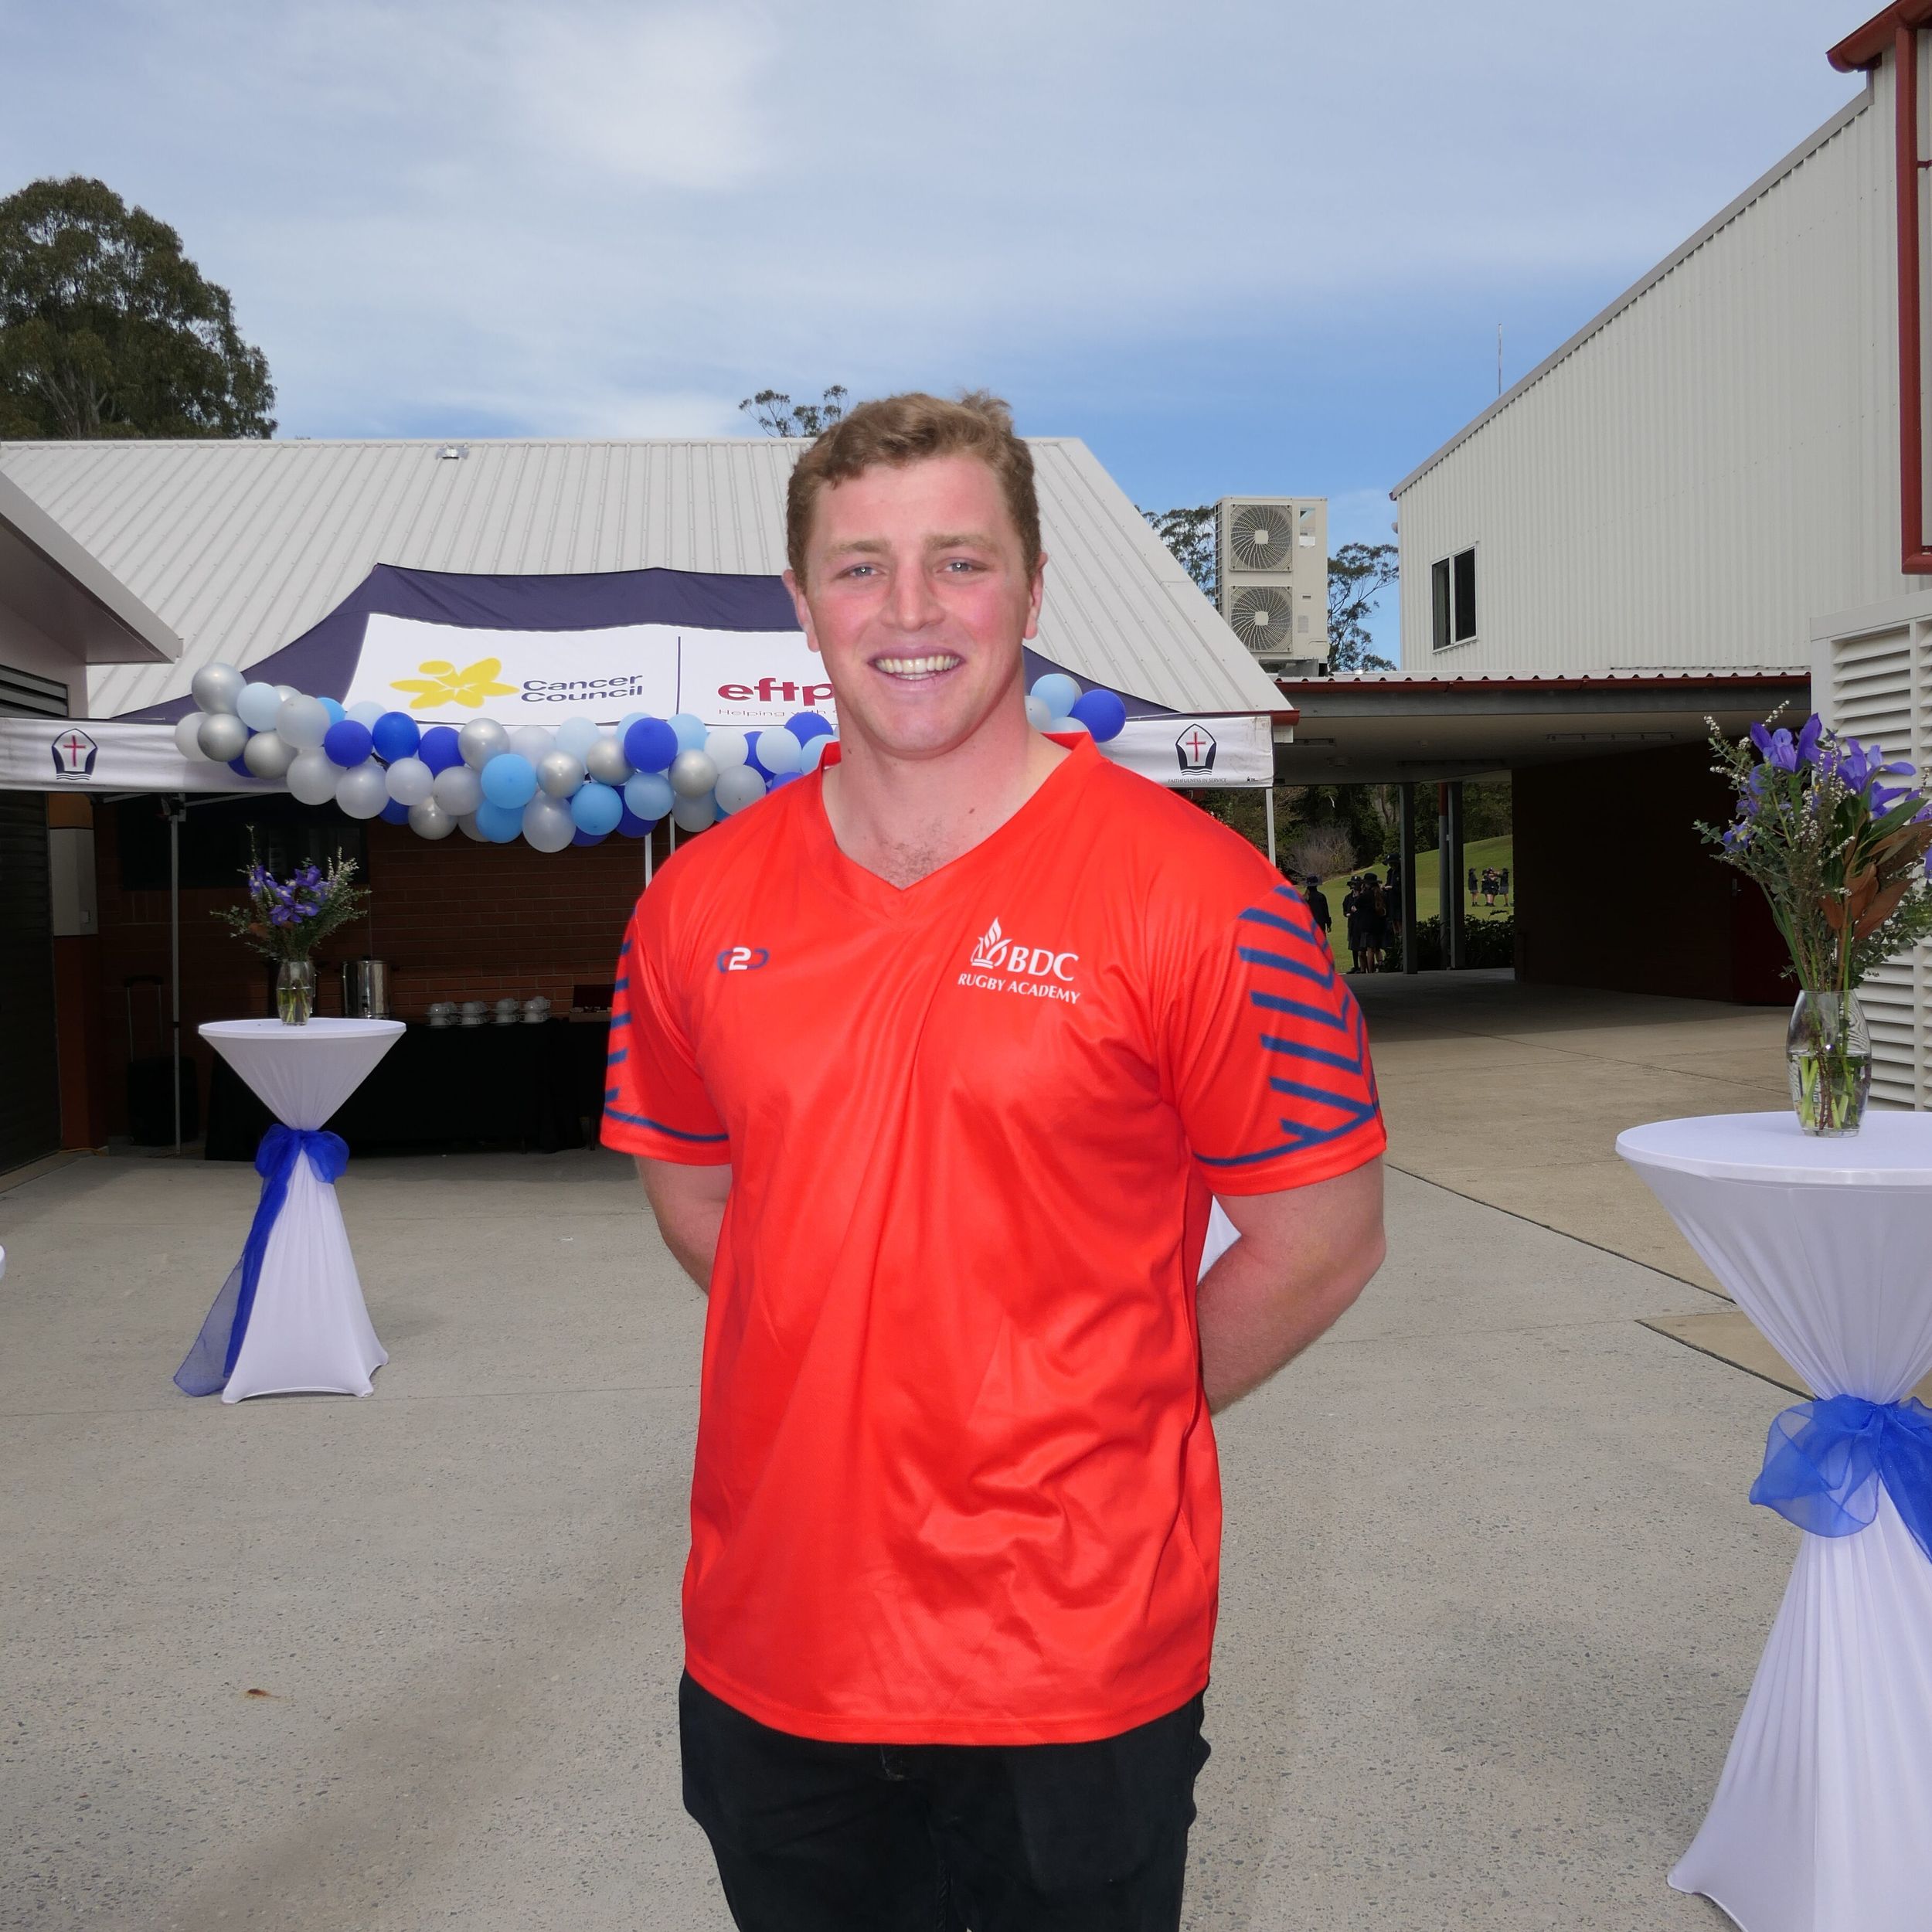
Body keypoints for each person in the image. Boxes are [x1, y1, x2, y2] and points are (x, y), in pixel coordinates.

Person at [602, 392, 1387, 1932]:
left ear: (1030, 591)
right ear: (801, 602)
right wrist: (858, 1350)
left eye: (959, 562)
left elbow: (1322, 1239)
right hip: (777, 1649)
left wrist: (1102, 1404)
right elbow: (699, 1198)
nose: (909, 611)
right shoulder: (691, 907)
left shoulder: (1206, 898)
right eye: (860, 567)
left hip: (1074, 1664)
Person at [1342, 872, 1364, 972]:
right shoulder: (1348, 897)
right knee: (1353, 946)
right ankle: (1356, 966)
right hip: (1352, 924)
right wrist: (1347, 914)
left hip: (1361, 924)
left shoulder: (1362, 897)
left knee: (1361, 946)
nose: (1354, 887)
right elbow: (1345, 909)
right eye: (1353, 884)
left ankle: (1363, 967)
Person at [1304, 870, 1332, 943]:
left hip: (1309, 925)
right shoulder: (1321, 896)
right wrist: (1328, 924)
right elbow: (1326, 912)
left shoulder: (1304, 898)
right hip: (1320, 924)